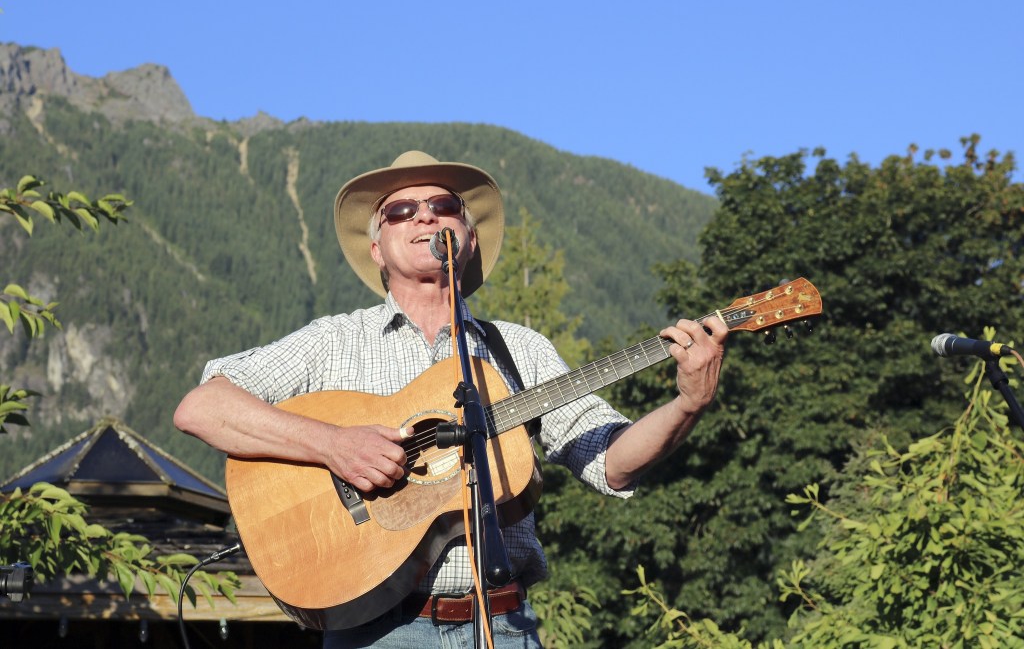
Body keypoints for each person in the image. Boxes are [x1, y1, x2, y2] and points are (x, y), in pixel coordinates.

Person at [173, 150, 727, 648]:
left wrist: (687, 405)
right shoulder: (333, 341)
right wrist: (333, 445)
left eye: (443, 205)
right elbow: (202, 407)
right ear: (377, 251)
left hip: (506, 627)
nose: (425, 216)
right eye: (401, 211)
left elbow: (610, 463)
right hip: (378, 633)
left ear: (470, 236)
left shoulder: (517, 350)